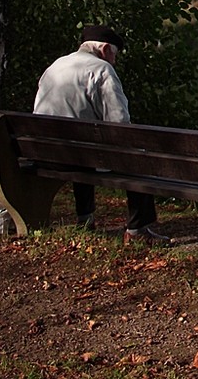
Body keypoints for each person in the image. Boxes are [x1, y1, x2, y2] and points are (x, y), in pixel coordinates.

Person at [33, 24, 170, 245]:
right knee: (139, 156)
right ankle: (137, 230)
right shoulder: (102, 70)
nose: (114, 61)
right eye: (114, 55)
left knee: (84, 147)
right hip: (81, 157)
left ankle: (85, 218)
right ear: (105, 49)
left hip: (46, 153)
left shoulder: (56, 66)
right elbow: (119, 124)